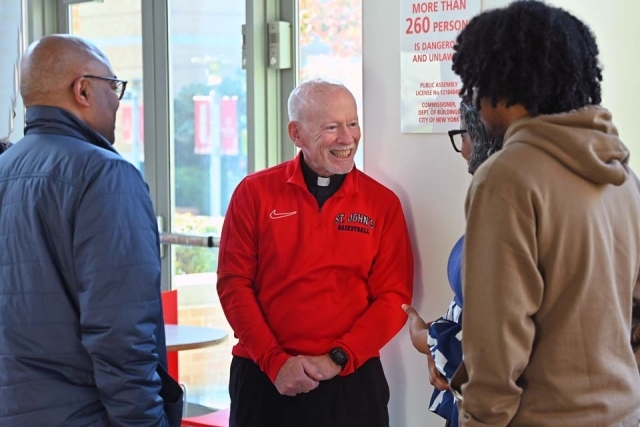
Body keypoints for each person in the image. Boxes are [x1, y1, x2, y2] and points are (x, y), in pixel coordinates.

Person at [448, 1, 640, 426]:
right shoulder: (622, 174)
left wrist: (478, 420)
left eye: (475, 83)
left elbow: (496, 341)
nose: (474, 99)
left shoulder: (506, 177)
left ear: (503, 82)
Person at [0, 34, 182, 426]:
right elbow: (121, 334)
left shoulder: (5, 168)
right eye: (113, 86)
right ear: (82, 89)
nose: (118, 100)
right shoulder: (104, 175)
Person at [217, 78, 414, 427]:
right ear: (296, 134)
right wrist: (275, 361)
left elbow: (394, 296)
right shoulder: (254, 193)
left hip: (351, 381)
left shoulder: (382, 203)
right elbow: (234, 285)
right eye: (331, 127)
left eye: (352, 123)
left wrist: (337, 358)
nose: (347, 138)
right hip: (264, 377)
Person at [403, 102, 503, 427]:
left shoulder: (515, 213)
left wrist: (429, 339)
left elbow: (500, 341)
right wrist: (438, 343)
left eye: (466, 134)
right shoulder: (495, 200)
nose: (463, 150)